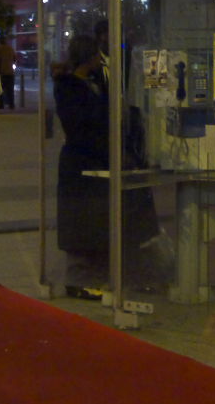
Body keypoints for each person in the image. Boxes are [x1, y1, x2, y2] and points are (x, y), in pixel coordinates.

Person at [53, 34, 156, 297]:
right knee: (83, 223)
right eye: (98, 55)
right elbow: (85, 124)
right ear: (89, 57)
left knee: (103, 220)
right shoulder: (68, 87)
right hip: (82, 163)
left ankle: (118, 274)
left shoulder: (96, 83)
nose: (101, 60)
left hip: (102, 159)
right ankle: (79, 281)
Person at [0, 34, 18, 110]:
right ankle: (11, 105)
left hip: (1, 72)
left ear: (0, 41)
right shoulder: (10, 48)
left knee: (0, 91)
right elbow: (15, 59)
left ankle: (1, 105)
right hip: (10, 72)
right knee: (10, 90)